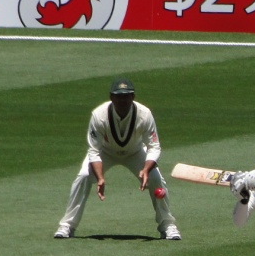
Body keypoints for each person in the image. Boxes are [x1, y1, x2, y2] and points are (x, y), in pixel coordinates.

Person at [54, 79, 180, 240]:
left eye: (127, 96)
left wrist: (146, 169)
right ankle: (67, 225)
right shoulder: (99, 115)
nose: (123, 101)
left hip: (135, 152)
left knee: (156, 179)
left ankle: (168, 226)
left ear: (133, 96)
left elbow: (154, 146)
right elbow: (93, 150)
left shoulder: (144, 114)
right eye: (119, 97)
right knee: (84, 176)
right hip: (105, 152)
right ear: (111, 97)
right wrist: (99, 178)